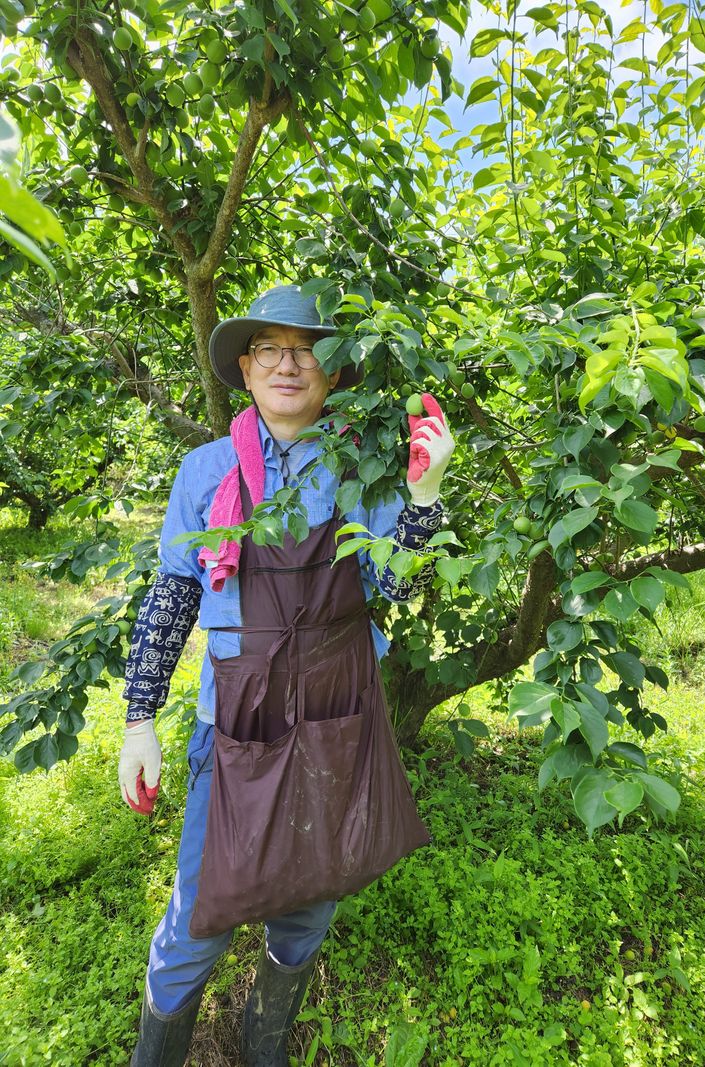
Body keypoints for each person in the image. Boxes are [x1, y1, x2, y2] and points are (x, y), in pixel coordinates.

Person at [117, 285, 455, 1067]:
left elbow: (399, 586)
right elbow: (172, 598)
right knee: (199, 921)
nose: (288, 363)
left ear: (332, 373)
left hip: (338, 713)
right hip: (232, 727)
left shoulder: (364, 470)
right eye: (268, 348)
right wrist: (140, 719)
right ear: (244, 367)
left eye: (306, 348)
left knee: (310, 904)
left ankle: (263, 1046)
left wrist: (425, 491)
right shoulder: (205, 472)